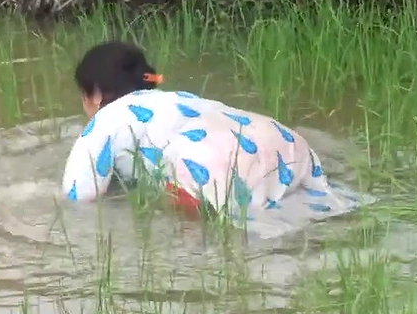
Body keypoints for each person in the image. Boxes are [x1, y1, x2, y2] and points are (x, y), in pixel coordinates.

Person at [60, 40, 361, 229]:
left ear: (96, 94)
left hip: (210, 158)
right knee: (287, 204)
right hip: (285, 140)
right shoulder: (183, 99)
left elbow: (80, 195)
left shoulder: (107, 119)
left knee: (206, 228)